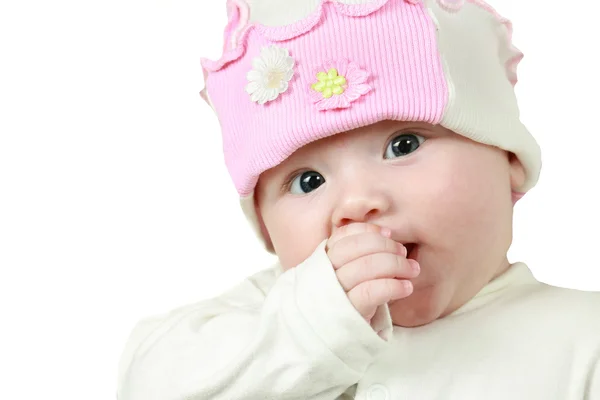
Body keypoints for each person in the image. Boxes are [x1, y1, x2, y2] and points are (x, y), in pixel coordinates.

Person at [116, 0, 600, 398]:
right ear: (267, 230)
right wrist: (309, 330)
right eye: (307, 181)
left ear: (508, 158)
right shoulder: (266, 318)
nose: (357, 203)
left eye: (403, 145)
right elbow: (148, 382)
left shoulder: (582, 338)